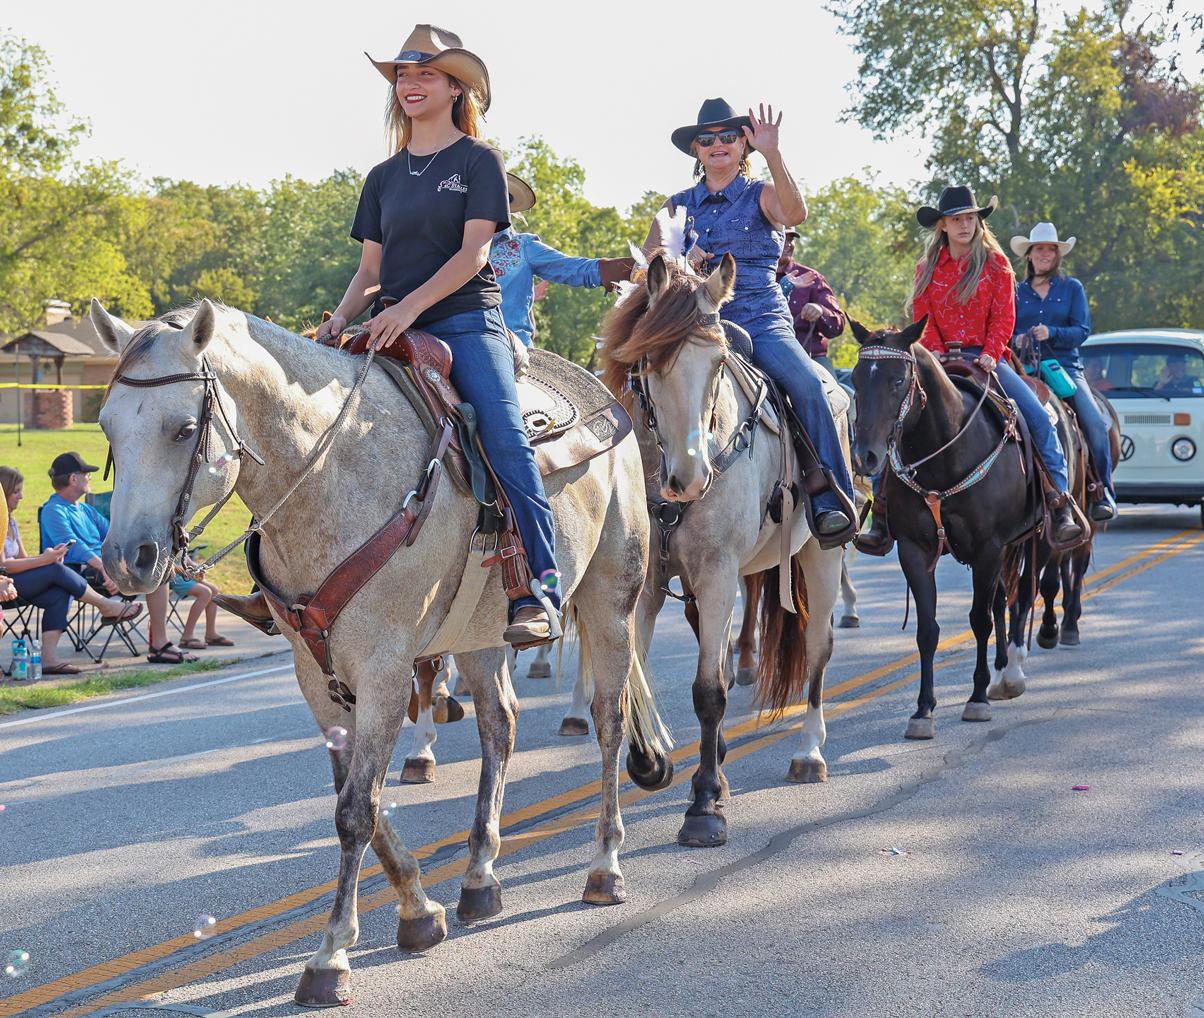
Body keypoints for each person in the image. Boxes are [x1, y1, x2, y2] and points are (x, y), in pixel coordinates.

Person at [655, 97, 855, 544]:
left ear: (743, 145)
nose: (718, 144)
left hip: (761, 321)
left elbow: (796, 213)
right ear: (696, 151)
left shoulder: (761, 193)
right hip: (695, 326)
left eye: (729, 136)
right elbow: (648, 265)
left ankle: (831, 497)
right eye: (707, 140)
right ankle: (639, 493)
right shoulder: (676, 206)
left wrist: (774, 153)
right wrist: (680, 261)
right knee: (638, 380)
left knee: (807, 385)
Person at [860, 187, 1082, 552]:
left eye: (970, 218)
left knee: (1039, 420)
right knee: (896, 422)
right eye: (956, 219)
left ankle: (1059, 505)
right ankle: (881, 516)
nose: (965, 225)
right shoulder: (926, 268)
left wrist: (993, 354)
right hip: (938, 359)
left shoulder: (996, 264)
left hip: (987, 358)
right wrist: (935, 354)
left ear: (978, 223)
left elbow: (1004, 316)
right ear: (943, 226)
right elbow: (923, 320)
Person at [1011, 222, 1117, 521]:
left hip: (1064, 368)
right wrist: (1015, 338)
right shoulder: (1016, 292)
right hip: (1024, 368)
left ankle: (1103, 490)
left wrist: (1052, 332)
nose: (1045, 254)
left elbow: (1082, 330)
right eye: (1039, 249)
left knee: (1094, 422)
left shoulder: (1072, 288)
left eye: (1050, 249)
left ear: (1057, 255)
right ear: (1029, 255)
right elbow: (1004, 328)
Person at [39, 452, 188, 664]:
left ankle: (160, 641)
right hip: (78, 570)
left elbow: (113, 535)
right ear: (73, 479)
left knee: (157, 570)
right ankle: (158, 642)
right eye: (86, 474)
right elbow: (72, 546)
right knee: (152, 574)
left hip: (103, 566)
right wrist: (103, 568)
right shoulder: (53, 510)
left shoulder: (86, 510)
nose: (89, 478)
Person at [2, 465, 142, 674]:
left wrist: (49, 556)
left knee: (60, 590)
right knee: (54, 572)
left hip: (18, 580)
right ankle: (106, 606)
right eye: (16, 491)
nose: (21, 496)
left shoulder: (11, 522)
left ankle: (49, 659)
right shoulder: (39, 513)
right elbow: (4, 564)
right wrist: (43, 560)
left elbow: (22, 558)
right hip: (5, 582)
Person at [492, 173, 633, 347]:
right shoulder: (453, 245)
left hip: (509, 344)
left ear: (506, 204)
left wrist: (628, 269)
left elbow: (574, 268)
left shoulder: (523, 246)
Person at [776, 228, 846, 374]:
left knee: (826, 394)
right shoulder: (755, 277)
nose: (788, 244)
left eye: (791, 239)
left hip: (811, 358)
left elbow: (837, 325)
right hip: (764, 356)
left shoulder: (812, 278)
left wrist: (820, 310)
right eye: (782, 237)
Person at [172, 560, 233, 650]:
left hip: (185, 573)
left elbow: (184, 556)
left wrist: (197, 568)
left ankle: (210, 634)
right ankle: (187, 637)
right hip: (172, 575)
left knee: (214, 590)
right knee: (205, 592)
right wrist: (183, 571)